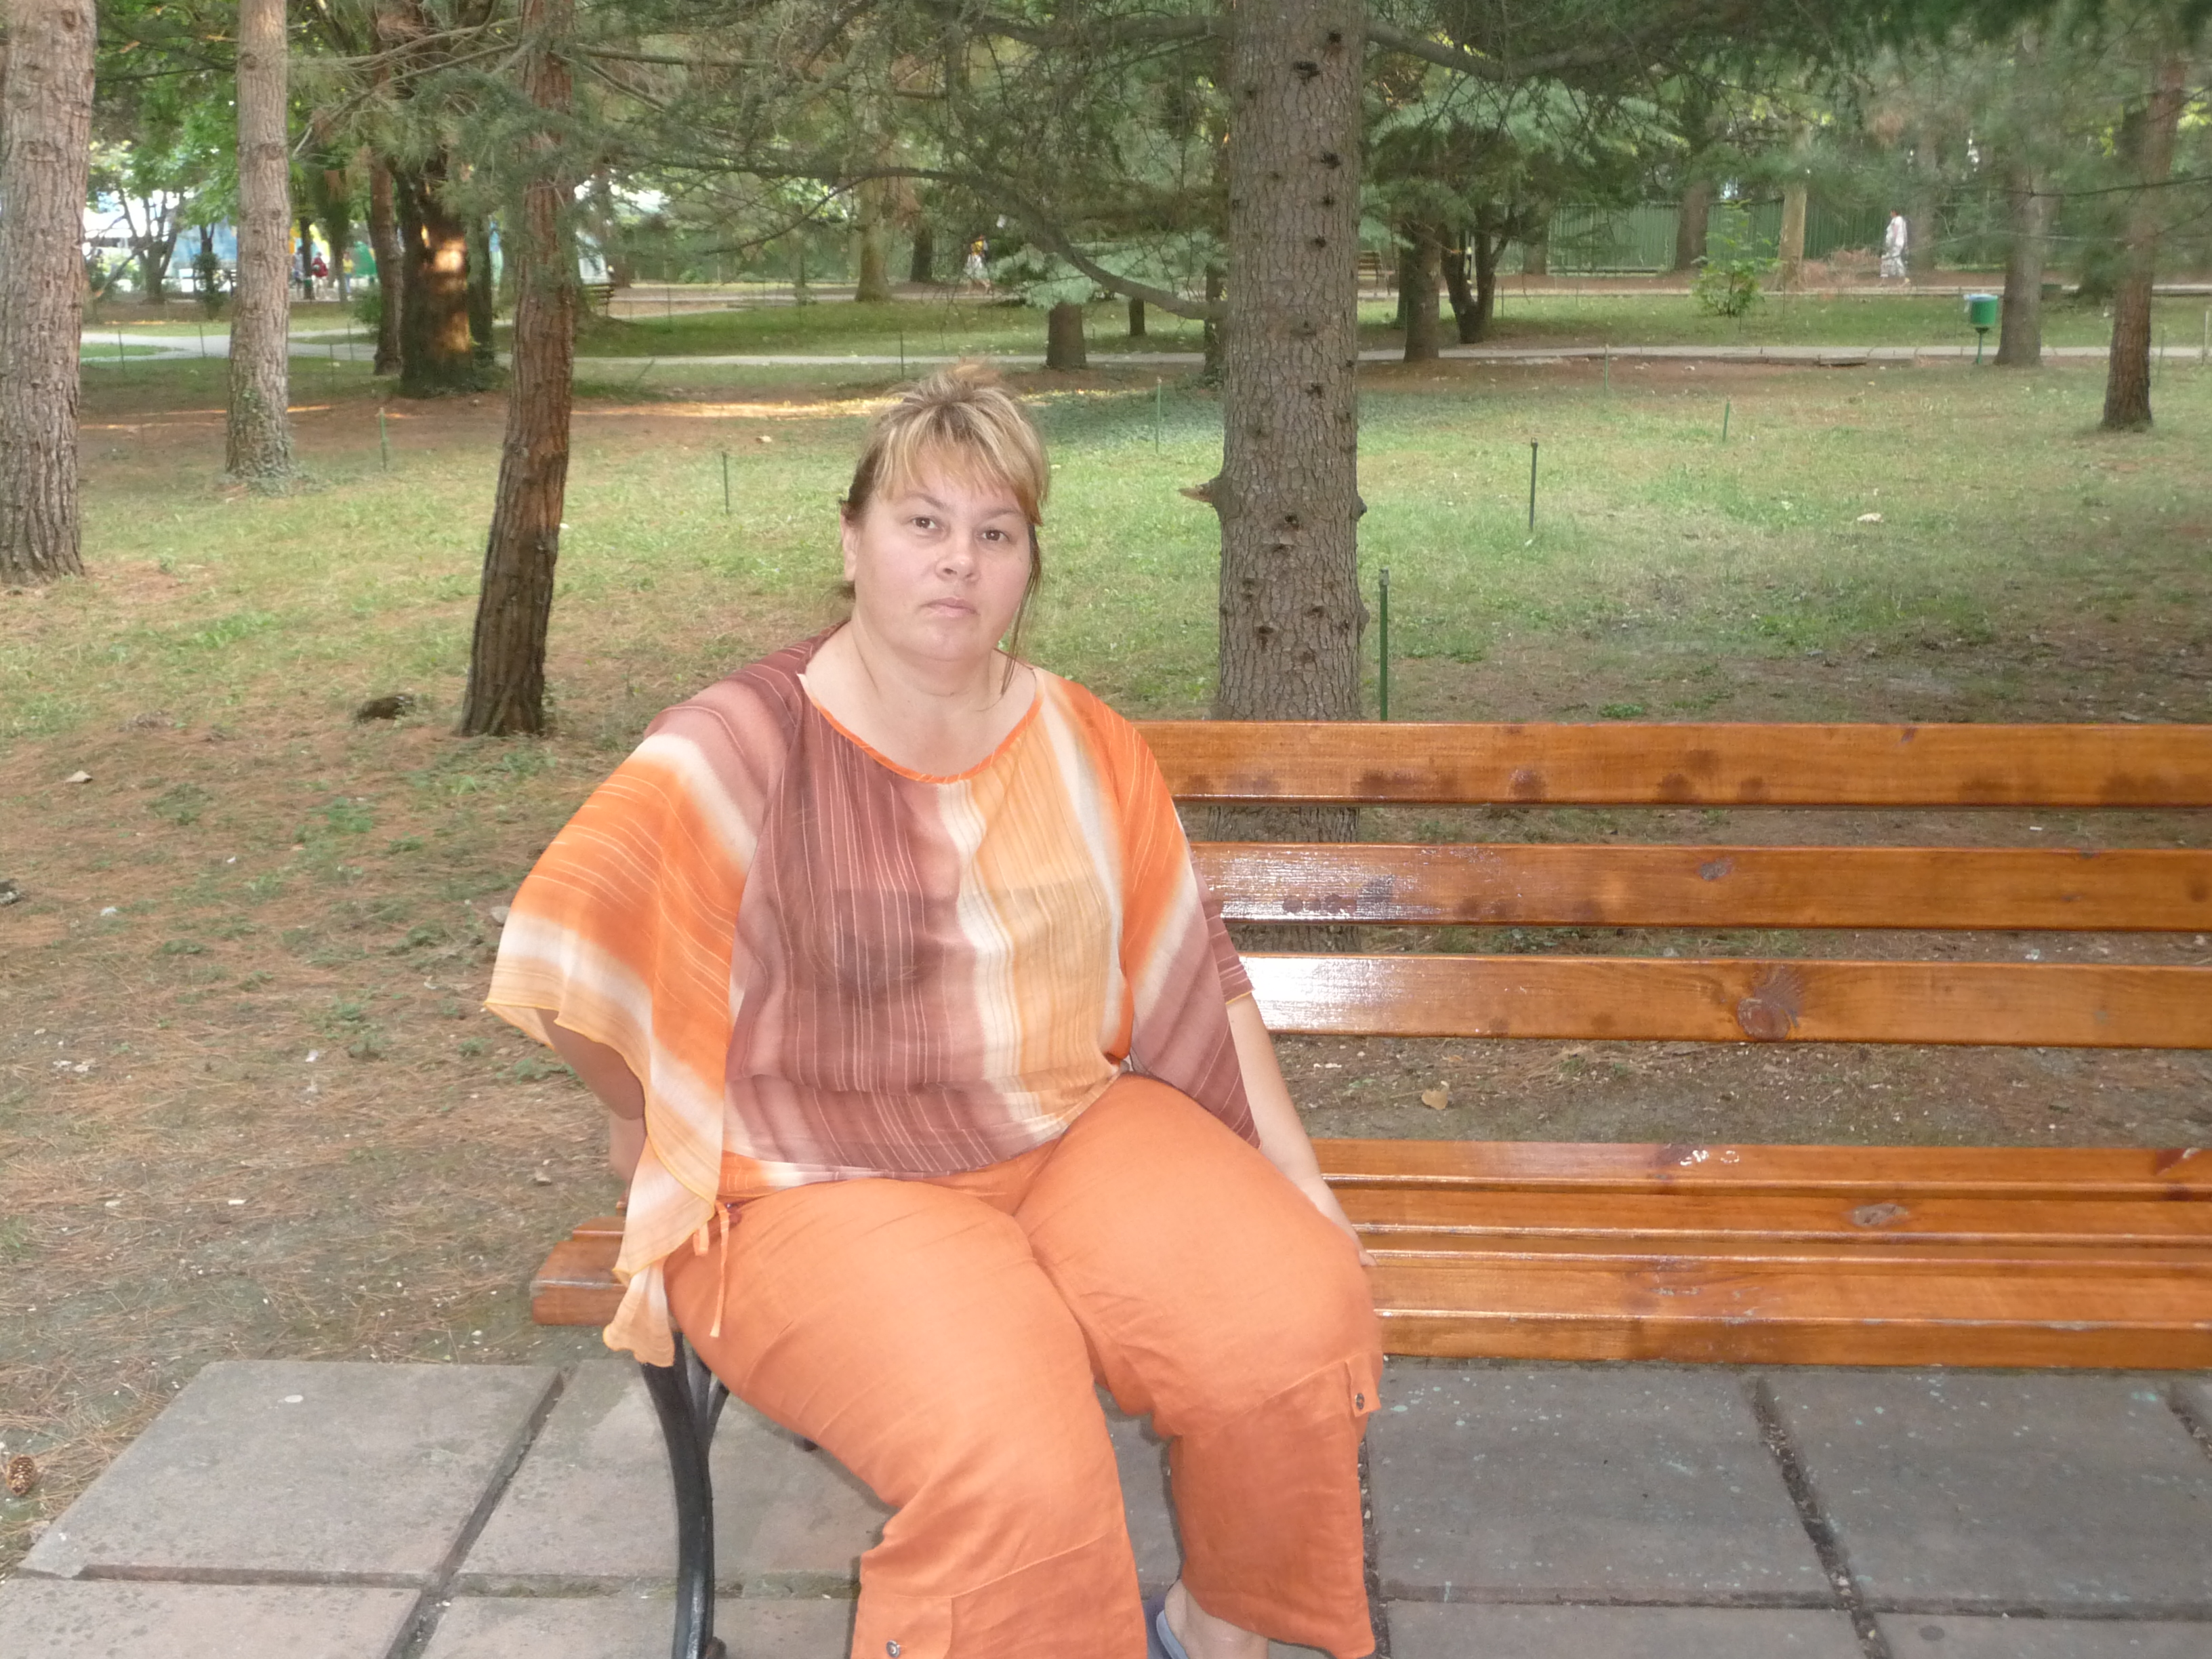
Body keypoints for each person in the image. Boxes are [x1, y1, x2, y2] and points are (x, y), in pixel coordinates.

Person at [487, 363, 1382, 1659]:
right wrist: (649, 1115)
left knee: (1291, 1322)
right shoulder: (741, 742)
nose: (958, 559)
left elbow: (1195, 965)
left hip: (1068, 1129)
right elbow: (570, 949)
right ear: (851, 541)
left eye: (994, 531)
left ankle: (1211, 1629)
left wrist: (1299, 1184)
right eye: (922, 522)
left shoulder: (1083, 739)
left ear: (1026, 565)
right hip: (813, 1179)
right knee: (1011, 1454)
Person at [1881, 209, 1908, 281]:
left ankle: (1901, 273)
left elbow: (1895, 231)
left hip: (1896, 242)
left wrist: (1893, 241)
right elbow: (1905, 233)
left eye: (1891, 212)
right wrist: (1906, 243)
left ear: (1894, 212)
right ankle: (1893, 272)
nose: (1890, 214)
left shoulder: (1897, 220)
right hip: (1899, 242)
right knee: (1892, 256)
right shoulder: (1902, 221)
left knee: (1896, 257)